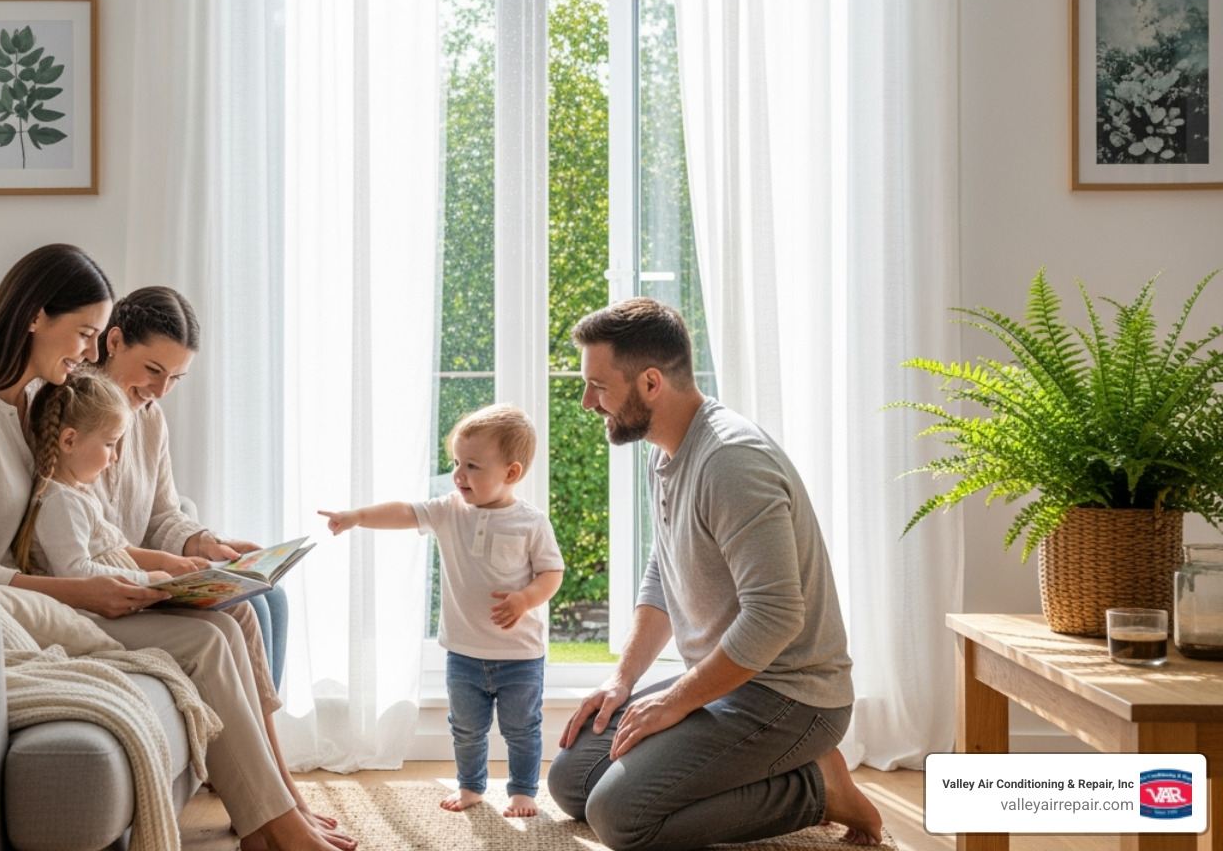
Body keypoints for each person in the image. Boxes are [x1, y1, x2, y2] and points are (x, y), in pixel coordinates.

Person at [0, 243, 345, 851]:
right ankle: (273, 823)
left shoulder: (29, 409)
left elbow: (107, 520)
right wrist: (86, 590)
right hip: (11, 614)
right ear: (33, 316)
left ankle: (269, 816)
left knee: (228, 625)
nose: (84, 353)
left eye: (93, 336)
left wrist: (187, 554)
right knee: (213, 638)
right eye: (82, 333)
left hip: (52, 594)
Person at [546, 297, 883, 850]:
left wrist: (675, 701)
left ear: (651, 383)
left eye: (599, 386)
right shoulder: (665, 448)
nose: (588, 402)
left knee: (620, 818)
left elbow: (775, 615)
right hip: (729, 682)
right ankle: (765, 768)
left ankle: (817, 787)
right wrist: (623, 680)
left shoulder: (731, 461)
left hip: (791, 695)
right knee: (571, 782)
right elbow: (665, 569)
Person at [319, 403, 564, 819]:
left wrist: (525, 599)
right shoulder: (450, 510)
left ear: (511, 473)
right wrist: (357, 516)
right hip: (464, 654)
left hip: (520, 657)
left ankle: (522, 791)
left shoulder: (530, 521)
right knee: (467, 729)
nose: (459, 475)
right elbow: (404, 511)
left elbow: (551, 573)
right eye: (456, 462)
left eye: (472, 466)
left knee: (521, 729)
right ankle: (471, 786)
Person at [92, 286, 288, 689]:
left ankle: (267, 735)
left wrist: (208, 543)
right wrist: (170, 570)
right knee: (247, 609)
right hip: (111, 581)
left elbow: (163, 513)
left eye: (176, 377)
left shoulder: (150, 420)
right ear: (114, 341)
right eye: (153, 370)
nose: (161, 390)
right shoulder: (73, 415)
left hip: (142, 570)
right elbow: (88, 536)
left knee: (272, 598)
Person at [10, 368, 171, 583]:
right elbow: (75, 571)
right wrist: (146, 580)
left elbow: (117, 550)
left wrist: (168, 564)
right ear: (69, 441)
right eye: (110, 444)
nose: (115, 457)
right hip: (100, 606)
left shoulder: (78, 494)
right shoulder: (61, 502)